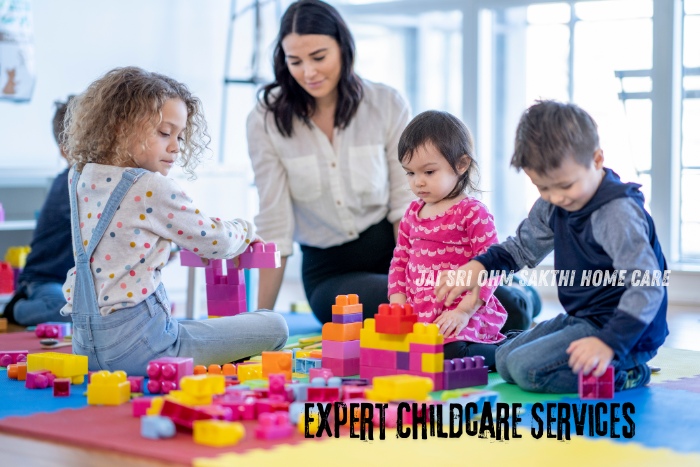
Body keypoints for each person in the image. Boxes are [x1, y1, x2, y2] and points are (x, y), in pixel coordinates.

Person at [248, 0, 539, 328]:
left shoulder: (385, 103)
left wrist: (421, 278)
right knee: (411, 315)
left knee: (490, 304)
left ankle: (519, 293)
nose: (308, 72)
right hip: (332, 273)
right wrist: (261, 322)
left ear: (344, 49)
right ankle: (516, 296)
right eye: (294, 61)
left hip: (406, 253)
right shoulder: (265, 120)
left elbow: (407, 202)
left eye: (319, 57)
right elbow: (275, 225)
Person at [60, 66, 288, 376]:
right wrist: (245, 231)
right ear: (119, 127)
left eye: (180, 136)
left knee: (193, 326)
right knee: (274, 325)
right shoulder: (149, 185)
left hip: (85, 349)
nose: (176, 146)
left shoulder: (79, 177)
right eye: (164, 133)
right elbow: (213, 239)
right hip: (144, 351)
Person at [435, 100, 668, 393]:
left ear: (596, 160)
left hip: (626, 332)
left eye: (565, 186)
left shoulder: (615, 213)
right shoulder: (554, 202)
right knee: (506, 360)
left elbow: (647, 286)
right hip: (583, 319)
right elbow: (521, 247)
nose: (556, 197)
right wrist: (478, 267)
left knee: (526, 371)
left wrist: (609, 343)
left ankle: (629, 372)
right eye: (543, 187)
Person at [388, 111, 506, 367]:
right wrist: (397, 303)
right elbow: (399, 261)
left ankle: (511, 351)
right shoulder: (411, 214)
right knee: (401, 355)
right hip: (423, 317)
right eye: (410, 173)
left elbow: (492, 267)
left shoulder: (472, 212)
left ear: (461, 165)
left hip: (465, 313)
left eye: (429, 172)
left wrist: (463, 311)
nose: (418, 182)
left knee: (450, 355)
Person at [2, 97, 75, 326]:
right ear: (65, 151)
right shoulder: (68, 184)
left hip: (73, 284)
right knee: (63, 310)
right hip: (45, 280)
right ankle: (15, 310)